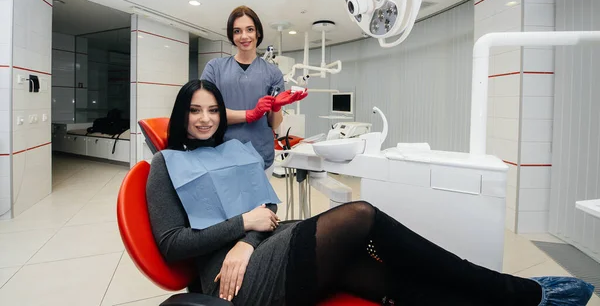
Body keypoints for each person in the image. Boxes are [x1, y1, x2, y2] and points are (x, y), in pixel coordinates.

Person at [146, 79, 595, 306]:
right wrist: (242, 226)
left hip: (259, 249)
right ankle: (517, 291)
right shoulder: (165, 165)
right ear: (181, 114)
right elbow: (171, 245)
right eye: (194, 110)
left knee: (382, 277)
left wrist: (248, 238)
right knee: (357, 214)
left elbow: (266, 210)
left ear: (223, 114)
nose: (205, 118)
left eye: (212, 110)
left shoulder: (236, 151)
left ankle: (509, 300)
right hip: (231, 283)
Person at [200, 5, 306, 176]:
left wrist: (276, 107)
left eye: (249, 29)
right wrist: (250, 114)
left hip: (260, 155)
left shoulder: (273, 73)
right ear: (231, 35)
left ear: (258, 33)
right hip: (222, 155)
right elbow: (205, 113)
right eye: (237, 31)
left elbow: (274, 123)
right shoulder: (215, 68)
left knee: (260, 204)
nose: (244, 36)